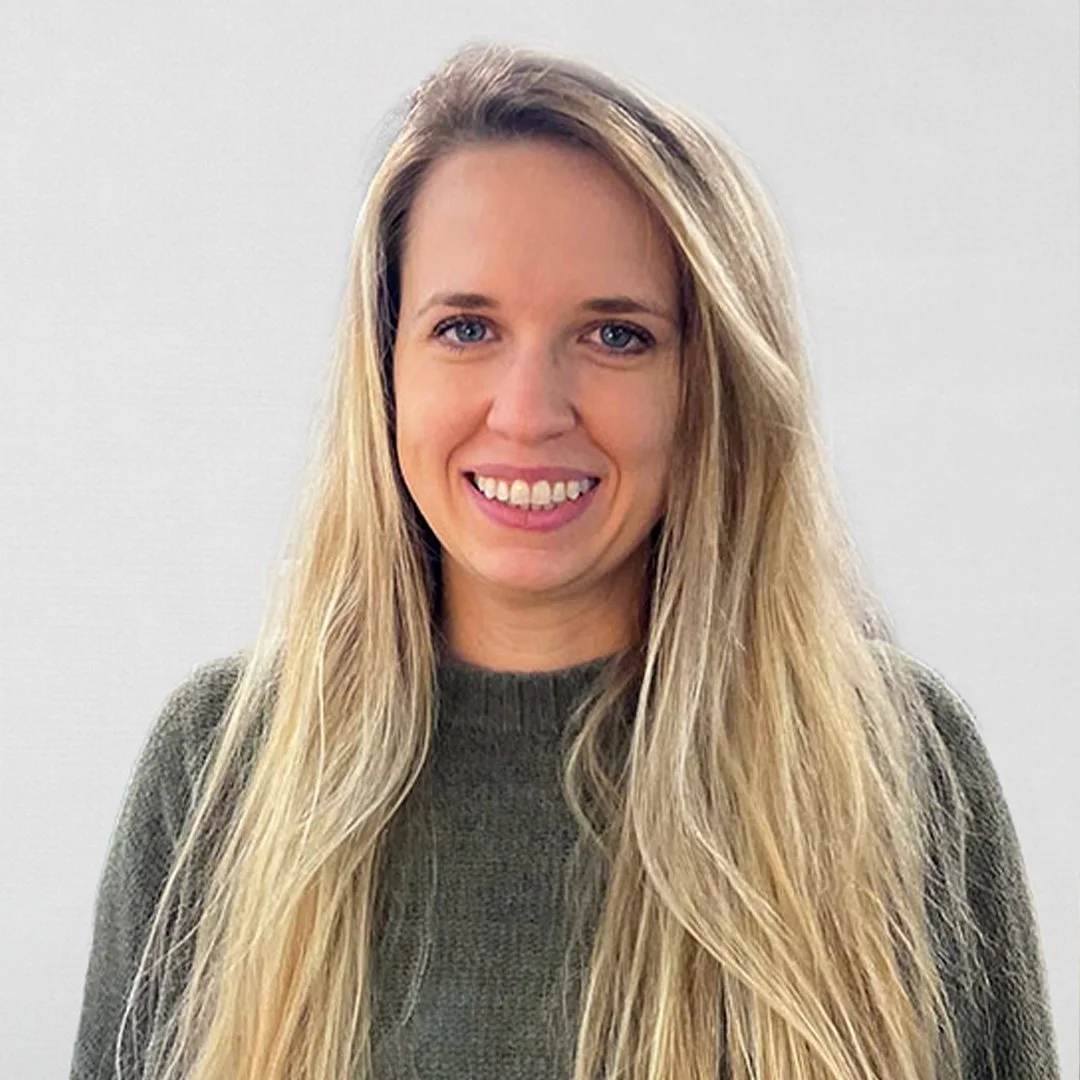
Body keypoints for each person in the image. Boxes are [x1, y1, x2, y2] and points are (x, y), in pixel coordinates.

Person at [69, 41, 1059, 1080]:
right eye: (465, 327)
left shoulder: (896, 765)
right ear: (387, 365)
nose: (529, 412)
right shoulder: (220, 769)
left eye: (617, 337)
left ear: (709, 379)